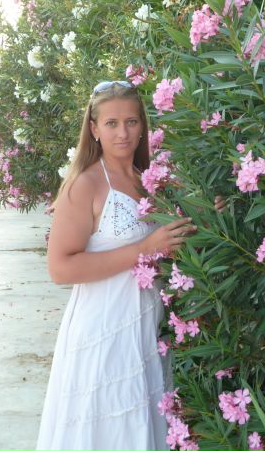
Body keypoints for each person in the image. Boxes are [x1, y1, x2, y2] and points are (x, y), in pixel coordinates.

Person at [35, 80, 225, 451]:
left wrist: (207, 213)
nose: (123, 132)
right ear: (94, 129)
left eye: (131, 122)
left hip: (146, 327)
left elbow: (170, 240)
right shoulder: (84, 185)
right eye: (112, 123)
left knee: (141, 425)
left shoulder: (150, 180)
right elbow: (60, 268)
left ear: (142, 126)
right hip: (102, 329)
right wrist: (143, 249)